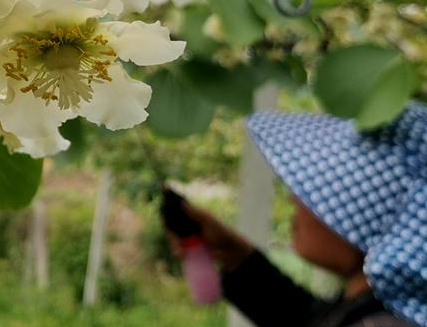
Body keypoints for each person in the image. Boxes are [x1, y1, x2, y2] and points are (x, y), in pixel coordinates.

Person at [166, 102, 427, 327]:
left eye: (320, 191)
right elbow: (306, 319)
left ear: (366, 220)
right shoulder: (374, 310)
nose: (294, 197)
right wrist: (235, 254)